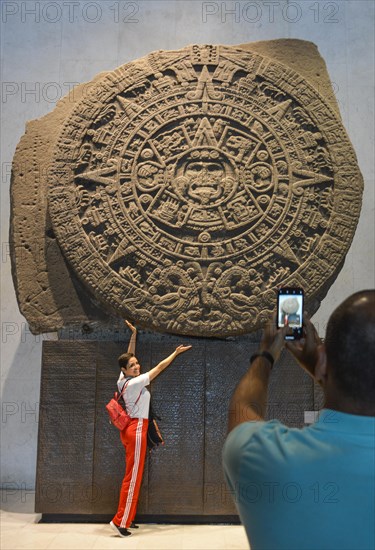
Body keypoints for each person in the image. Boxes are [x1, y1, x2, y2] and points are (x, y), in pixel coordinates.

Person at [222, 290, 375, 550]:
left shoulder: (260, 456)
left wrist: (267, 353)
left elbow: (243, 408)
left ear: (325, 360)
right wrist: (323, 369)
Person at [110, 320, 191, 537]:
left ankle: (128, 518)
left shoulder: (122, 381)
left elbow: (129, 354)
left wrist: (134, 334)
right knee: (132, 477)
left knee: (134, 475)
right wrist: (175, 353)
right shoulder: (135, 382)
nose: (137, 366)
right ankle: (120, 521)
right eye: (133, 365)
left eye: (137, 363)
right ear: (125, 370)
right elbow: (159, 368)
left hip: (132, 430)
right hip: (136, 430)